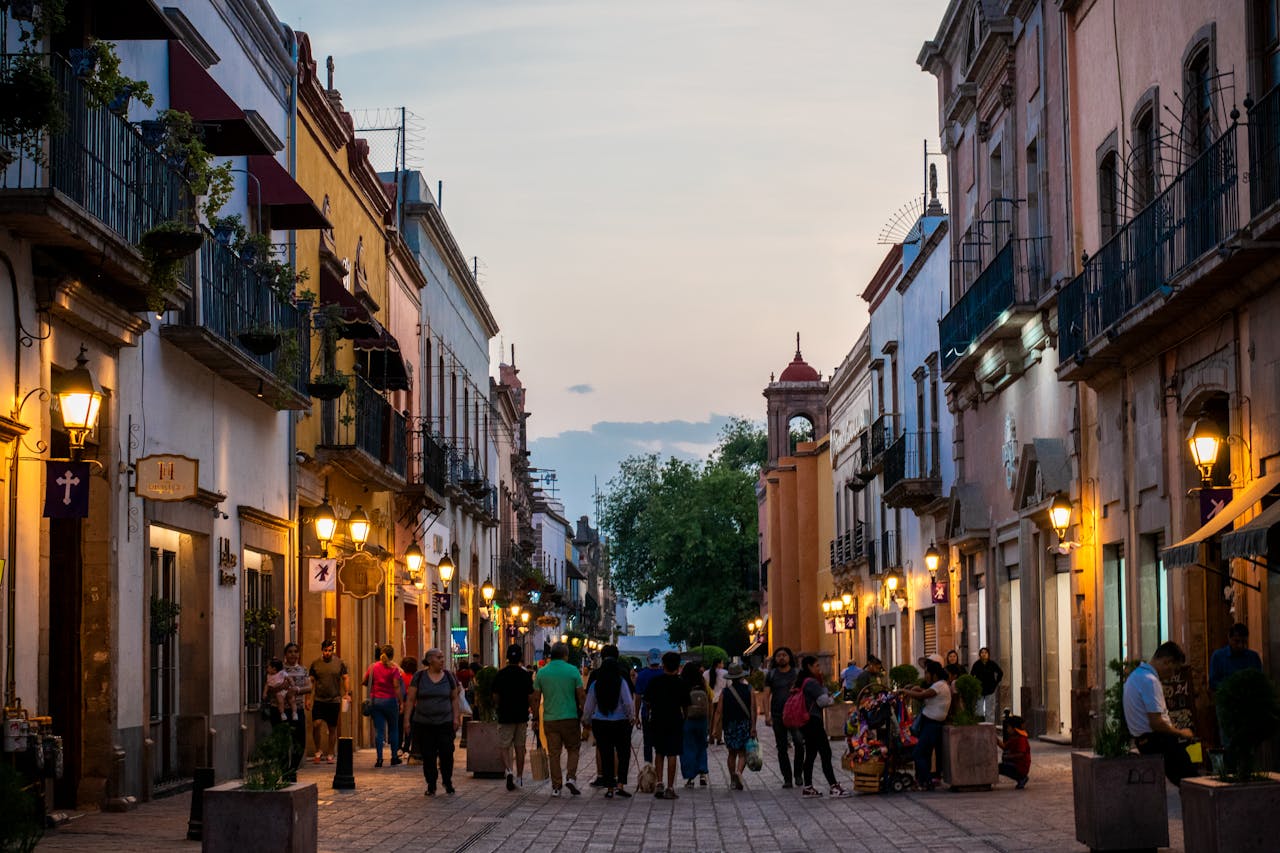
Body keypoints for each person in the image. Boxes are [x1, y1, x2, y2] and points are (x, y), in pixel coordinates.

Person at [1123, 641, 1196, 786]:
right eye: (1174, 670)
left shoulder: (1135, 676)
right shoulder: (1150, 681)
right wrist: (1181, 733)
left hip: (1144, 740)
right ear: (1167, 661)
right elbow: (1156, 723)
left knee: (1187, 778)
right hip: (1157, 741)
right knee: (1192, 781)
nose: (1172, 675)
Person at [533, 642, 586, 797]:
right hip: (570, 717)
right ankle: (570, 777)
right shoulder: (573, 671)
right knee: (573, 749)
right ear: (565, 655)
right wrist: (584, 713)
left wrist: (536, 717)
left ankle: (556, 786)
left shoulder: (542, 672)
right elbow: (581, 695)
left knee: (554, 753)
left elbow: (536, 698)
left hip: (550, 718)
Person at [581, 645, 634, 799]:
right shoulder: (621, 680)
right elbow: (628, 702)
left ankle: (609, 787)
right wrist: (631, 717)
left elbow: (589, 704)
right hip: (620, 722)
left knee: (606, 754)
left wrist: (586, 720)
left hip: (601, 723)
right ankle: (620, 785)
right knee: (623, 753)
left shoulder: (596, 682)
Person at [409, 648, 461, 795]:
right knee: (428, 755)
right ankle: (431, 783)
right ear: (430, 660)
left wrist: (456, 717)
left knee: (447, 753)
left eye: (442, 657)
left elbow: (454, 698)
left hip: (445, 722)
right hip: (424, 723)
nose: (442, 660)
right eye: (439, 657)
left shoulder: (449, 677)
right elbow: (411, 699)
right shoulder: (419, 677)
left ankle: (447, 780)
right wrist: (407, 720)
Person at [796, 655, 848, 798]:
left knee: (811, 754)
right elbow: (823, 702)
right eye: (817, 666)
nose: (819, 668)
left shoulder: (802, 682)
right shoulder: (812, 682)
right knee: (826, 752)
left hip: (806, 722)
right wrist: (828, 695)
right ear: (809, 667)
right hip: (813, 721)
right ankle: (833, 786)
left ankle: (808, 787)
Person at [644, 651, 690, 800]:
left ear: (663, 665)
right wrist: (685, 717)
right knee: (672, 753)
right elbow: (685, 706)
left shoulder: (656, 682)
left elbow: (648, 702)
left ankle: (659, 783)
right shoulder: (682, 683)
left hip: (658, 720)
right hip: (675, 720)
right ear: (678, 666)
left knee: (659, 752)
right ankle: (670, 787)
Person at [900, 659, 950, 791]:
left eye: (927, 673)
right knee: (925, 754)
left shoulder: (940, 685)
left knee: (918, 753)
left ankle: (927, 781)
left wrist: (904, 691)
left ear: (935, 674)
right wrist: (917, 689)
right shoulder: (938, 686)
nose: (926, 675)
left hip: (932, 725)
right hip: (928, 724)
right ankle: (922, 781)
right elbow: (927, 693)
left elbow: (923, 696)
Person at [492, 644, 536, 791]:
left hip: (505, 714)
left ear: (507, 657)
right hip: (521, 715)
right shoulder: (525, 675)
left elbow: (495, 695)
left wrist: (498, 707)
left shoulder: (500, 674)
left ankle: (509, 770)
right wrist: (533, 713)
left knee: (505, 745)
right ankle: (519, 776)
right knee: (520, 747)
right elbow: (531, 696)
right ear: (520, 657)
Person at [762, 646, 804, 788]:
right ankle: (787, 778)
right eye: (778, 655)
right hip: (777, 715)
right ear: (775, 659)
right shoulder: (771, 675)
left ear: (789, 658)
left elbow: (804, 692)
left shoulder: (797, 674)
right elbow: (766, 695)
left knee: (799, 743)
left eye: (784, 655)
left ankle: (798, 774)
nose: (781, 658)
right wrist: (766, 715)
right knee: (781, 747)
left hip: (794, 714)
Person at [362, 644, 405, 768]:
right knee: (394, 729)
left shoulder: (373, 667)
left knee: (379, 731)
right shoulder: (394, 669)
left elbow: (364, 681)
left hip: (376, 702)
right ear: (392, 655)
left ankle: (379, 759)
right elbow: (396, 686)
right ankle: (394, 757)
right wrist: (401, 702)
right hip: (390, 701)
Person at [308, 639, 350, 764]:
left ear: (333, 650)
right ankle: (318, 750)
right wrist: (307, 698)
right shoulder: (315, 664)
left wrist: (347, 693)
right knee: (316, 724)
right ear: (322, 650)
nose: (327, 653)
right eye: (325, 650)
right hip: (319, 699)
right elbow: (311, 681)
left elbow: (345, 677)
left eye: (330, 650)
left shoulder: (339, 663)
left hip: (334, 699)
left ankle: (331, 752)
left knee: (332, 728)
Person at [719, 663, 756, 790]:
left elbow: (719, 711)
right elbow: (753, 710)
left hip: (729, 725)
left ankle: (732, 779)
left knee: (731, 753)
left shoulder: (725, 692)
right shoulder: (749, 689)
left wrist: (714, 729)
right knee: (742, 753)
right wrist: (753, 727)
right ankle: (739, 773)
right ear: (741, 676)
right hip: (744, 724)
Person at [279, 643, 312, 778]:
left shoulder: (303, 670)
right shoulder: (281, 670)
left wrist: (297, 690)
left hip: (297, 710)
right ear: (285, 654)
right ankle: (285, 771)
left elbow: (309, 687)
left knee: (300, 743)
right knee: (283, 743)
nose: (293, 654)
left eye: (296, 651)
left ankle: (292, 770)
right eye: (290, 652)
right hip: (283, 711)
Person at [680, 661, 711, 788]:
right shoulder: (703, 683)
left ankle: (690, 778)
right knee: (701, 746)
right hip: (702, 720)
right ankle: (703, 773)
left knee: (688, 748)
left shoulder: (683, 684)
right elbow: (710, 698)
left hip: (688, 720)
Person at [1208, 623, 1263, 693]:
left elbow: (1259, 682)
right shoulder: (1218, 657)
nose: (1240, 645)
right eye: (1236, 641)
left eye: (1244, 642)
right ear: (1229, 638)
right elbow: (1213, 683)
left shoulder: (1253, 657)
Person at [633, 648, 664, 765]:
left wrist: (636, 716)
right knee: (660, 744)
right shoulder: (663, 674)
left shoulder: (641, 675)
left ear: (647, 659)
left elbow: (638, 697)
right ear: (660, 659)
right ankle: (659, 771)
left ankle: (648, 767)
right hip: (662, 714)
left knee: (647, 742)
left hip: (647, 713)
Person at [970, 647, 1004, 723]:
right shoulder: (976, 664)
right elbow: (971, 675)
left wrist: (996, 682)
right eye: (982, 652)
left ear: (988, 654)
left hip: (990, 690)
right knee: (979, 710)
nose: (984, 654)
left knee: (990, 710)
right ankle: (980, 725)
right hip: (979, 690)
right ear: (979, 654)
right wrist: (975, 685)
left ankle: (990, 726)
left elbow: (1000, 672)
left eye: (985, 652)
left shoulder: (992, 664)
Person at [997, 713, 1031, 789]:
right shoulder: (1013, 738)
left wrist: (1009, 756)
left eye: (1009, 727)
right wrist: (997, 741)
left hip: (1020, 767)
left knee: (999, 768)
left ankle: (1021, 778)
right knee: (1000, 767)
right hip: (1015, 764)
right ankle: (1021, 778)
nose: (1007, 729)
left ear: (1014, 729)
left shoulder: (1021, 739)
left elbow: (1021, 754)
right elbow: (1005, 747)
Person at [705, 658, 728, 746]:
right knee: (719, 719)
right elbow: (728, 685)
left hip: (710, 698)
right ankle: (719, 738)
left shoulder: (705, 673)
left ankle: (710, 738)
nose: (723, 665)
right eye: (722, 663)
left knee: (710, 718)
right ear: (719, 664)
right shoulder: (725, 673)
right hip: (721, 698)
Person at [400, 656, 418, 761]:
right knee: (409, 727)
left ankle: (399, 747)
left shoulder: (401, 676)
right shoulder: (415, 677)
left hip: (402, 704)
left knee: (399, 726)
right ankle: (407, 747)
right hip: (413, 705)